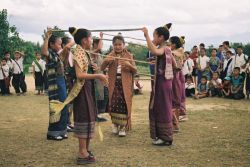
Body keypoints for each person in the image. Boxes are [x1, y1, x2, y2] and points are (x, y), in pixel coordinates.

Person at [67, 27, 108, 165]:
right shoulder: (78, 52)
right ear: (85, 40)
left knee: (90, 116)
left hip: (88, 89)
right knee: (84, 117)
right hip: (82, 90)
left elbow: (86, 69)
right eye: (91, 38)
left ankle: (85, 149)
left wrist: (94, 69)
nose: (92, 40)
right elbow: (79, 75)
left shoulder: (84, 52)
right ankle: (82, 152)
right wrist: (98, 75)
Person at [142, 23, 175, 146]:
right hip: (164, 83)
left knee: (163, 109)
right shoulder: (168, 49)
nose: (153, 39)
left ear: (161, 38)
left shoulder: (164, 48)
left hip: (162, 84)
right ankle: (163, 136)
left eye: (154, 36)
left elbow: (154, 50)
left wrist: (146, 36)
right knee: (160, 108)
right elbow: (175, 65)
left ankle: (165, 137)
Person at [101, 34, 137, 137]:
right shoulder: (110, 55)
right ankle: (115, 124)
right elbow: (102, 68)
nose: (117, 46)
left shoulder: (129, 56)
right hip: (113, 85)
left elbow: (135, 70)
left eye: (120, 44)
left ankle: (123, 127)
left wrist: (129, 65)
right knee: (114, 105)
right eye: (115, 44)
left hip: (125, 85)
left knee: (124, 105)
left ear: (124, 45)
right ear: (113, 45)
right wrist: (106, 61)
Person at [42, 28, 74, 141]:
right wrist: (46, 38)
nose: (60, 46)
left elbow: (66, 51)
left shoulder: (56, 55)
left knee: (64, 106)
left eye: (61, 44)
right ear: (51, 44)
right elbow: (44, 52)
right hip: (55, 85)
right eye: (59, 44)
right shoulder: (50, 54)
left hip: (61, 83)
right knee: (57, 107)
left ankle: (61, 130)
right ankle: (53, 133)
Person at [169, 36, 186, 130]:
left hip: (175, 78)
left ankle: (175, 124)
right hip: (173, 78)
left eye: (169, 42)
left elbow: (177, 67)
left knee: (174, 101)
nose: (168, 44)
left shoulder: (179, 51)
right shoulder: (173, 51)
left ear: (174, 44)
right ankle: (173, 123)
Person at [91, 35, 109, 122]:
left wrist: (107, 70)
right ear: (94, 44)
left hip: (101, 78)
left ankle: (98, 115)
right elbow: (97, 49)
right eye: (100, 43)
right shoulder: (92, 52)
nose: (102, 45)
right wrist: (101, 37)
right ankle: (96, 115)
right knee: (98, 97)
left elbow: (101, 66)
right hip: (96, 79)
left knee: (103, 96)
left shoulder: (99, 54)